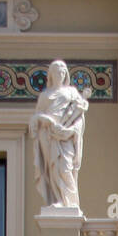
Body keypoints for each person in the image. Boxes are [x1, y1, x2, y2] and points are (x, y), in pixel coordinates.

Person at [30, 60, 89, 210]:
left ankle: (69, 202)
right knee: (52, 169)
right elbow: (37, 116)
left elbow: (79, 116)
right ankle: (58, 200)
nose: (60, 73)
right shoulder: (45, 96)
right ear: (51, 74)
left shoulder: (71, 92)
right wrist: (46, 121)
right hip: (48, 135)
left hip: (66, 136)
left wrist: (71, 131)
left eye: (63, 71)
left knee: (65, 168)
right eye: (57, 71)